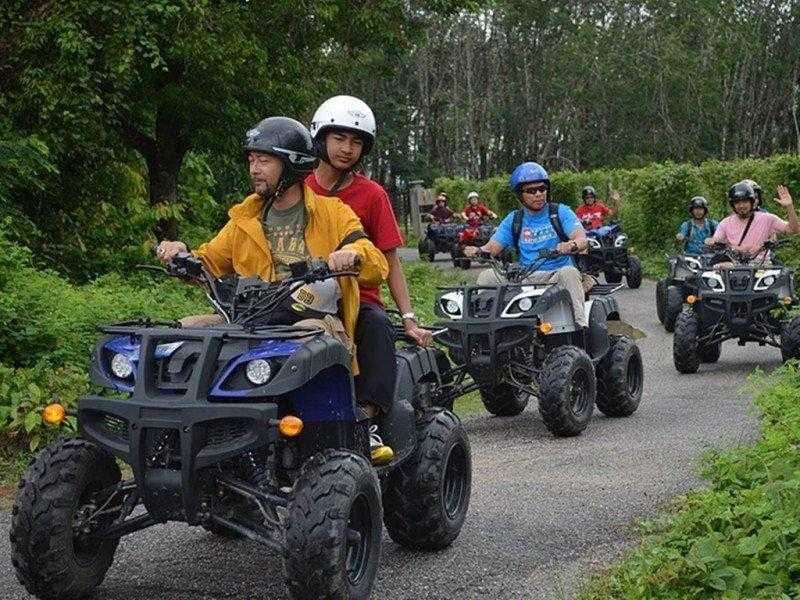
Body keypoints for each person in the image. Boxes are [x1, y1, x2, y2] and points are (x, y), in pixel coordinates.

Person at [156, 116, 389, 439]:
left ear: (292, 165)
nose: (254, 168)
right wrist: (181, 253)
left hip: (314, 317)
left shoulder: (333, 213)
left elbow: (376, 262)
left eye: (264, 160)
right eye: (251, 160)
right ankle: (181, 430)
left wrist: (354, 256)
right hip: (251, 317)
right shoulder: (244, 218)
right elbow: (208, 260)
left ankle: (337, 432)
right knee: (184, 331)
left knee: (305, 338)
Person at [306, 94, 432, 432]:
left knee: (376, 325)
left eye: (356, 141)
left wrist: (408, 319)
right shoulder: (298, 190)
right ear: (321, 138)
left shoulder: (372, 194)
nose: (347, 148)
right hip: (302, 297)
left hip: (359, 300)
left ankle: (370, 417)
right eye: (339, 138)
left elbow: (391, 259)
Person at [464, 161, 589, 328]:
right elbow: (492, 248)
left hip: (555, 275)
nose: (538, 194)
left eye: (542, 189)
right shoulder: (515, 219)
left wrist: (570, 245)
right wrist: (477, 251)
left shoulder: (560, 212)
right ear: (520, 195)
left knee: (570, 272)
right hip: (525, 276)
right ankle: (484, 328)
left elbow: (582, 239)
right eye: (531, 191)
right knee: (486, 276)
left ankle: (580, 326)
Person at [705, 181, 800, 262]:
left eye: (745, 201)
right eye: (737, 202)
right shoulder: (725, 223)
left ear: (752, 202)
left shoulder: (767, 219)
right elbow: (716, 239)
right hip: (732, 267)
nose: (741, 206)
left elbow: (793, 230)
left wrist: (789, 206)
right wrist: (710, 242)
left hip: (761, 267)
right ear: (733, 205)